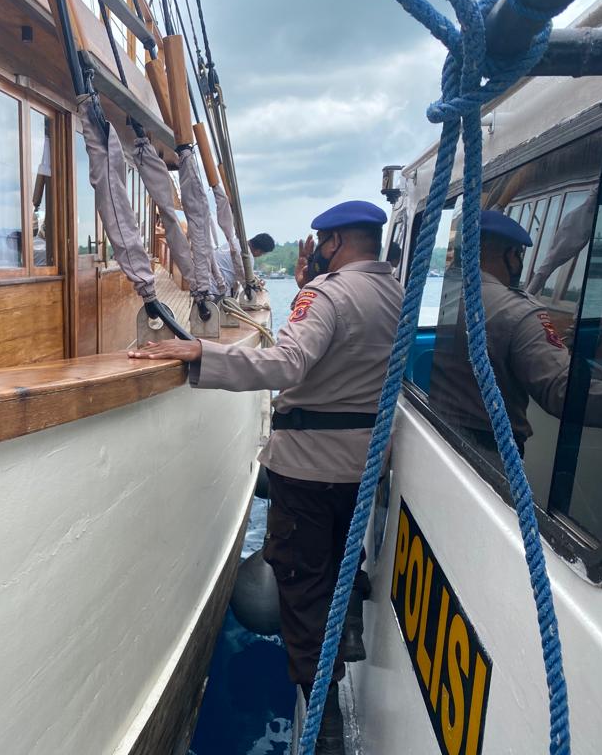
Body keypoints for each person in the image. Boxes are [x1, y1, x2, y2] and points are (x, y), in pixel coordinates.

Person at [129, 200, 401, 755]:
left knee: (300, 585)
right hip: (365, 464)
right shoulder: (399, 293)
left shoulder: (327, 295)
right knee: (344, 555)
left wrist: (201, 353)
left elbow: (287, 364)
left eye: (322, 242)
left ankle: (325, 722)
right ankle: (349, 622)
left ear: (335, 242)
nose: (317, 251)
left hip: (309, 467)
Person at [430, 210, 602, 462]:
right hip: (487, 451)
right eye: (519, 255)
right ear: (510, 255)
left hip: (431, 427)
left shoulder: (431, 296)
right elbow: (560, 389)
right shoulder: (516, 311)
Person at [213, 232, 275, 296]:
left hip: (208, 279)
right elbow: (248, 283)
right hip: (215, 290)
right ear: (258, 251)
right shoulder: (247, 258)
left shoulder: (234, 242)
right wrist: (258, 285)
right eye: (262, 254)